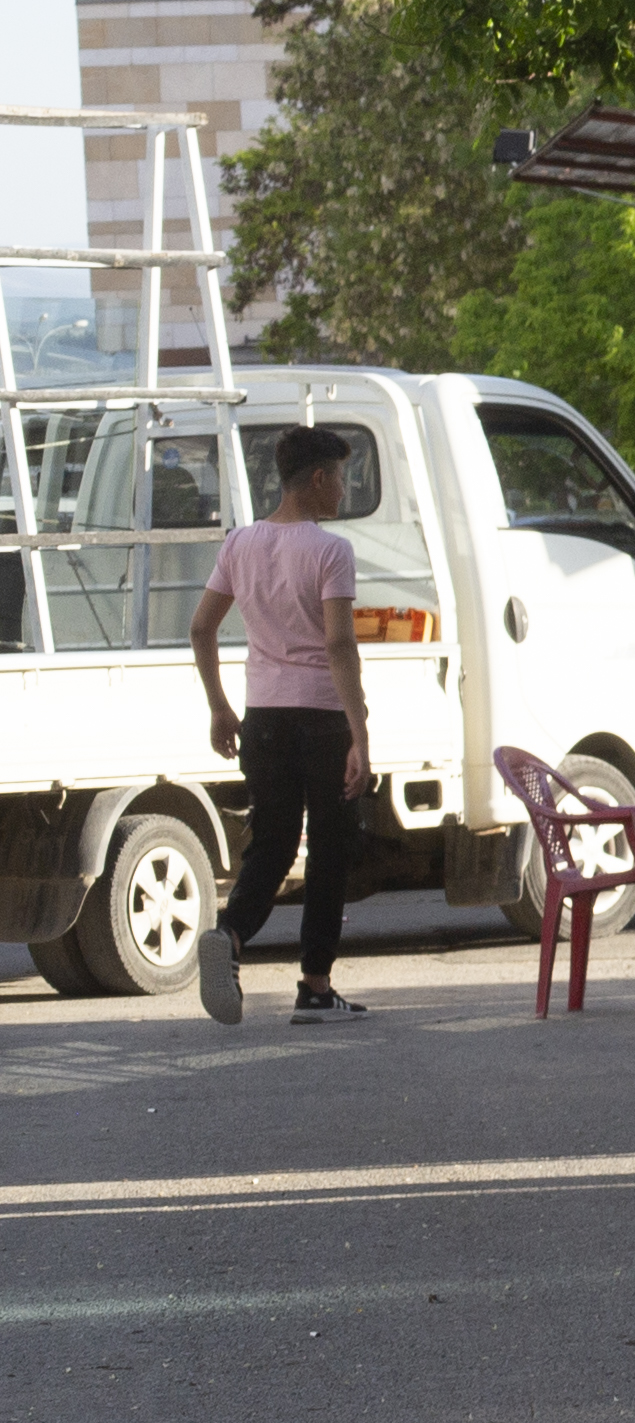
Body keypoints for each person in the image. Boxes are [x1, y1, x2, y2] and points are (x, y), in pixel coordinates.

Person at [187, 424, 375, 1025]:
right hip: (322, 718)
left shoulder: (240, 544)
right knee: (329, 850)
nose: (343, 490)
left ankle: (230, 935)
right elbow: (339, 645)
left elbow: (201, 627)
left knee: (272, 843)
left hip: (263, 719)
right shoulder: (330, 551)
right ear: (317, 479)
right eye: (340, 478)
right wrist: (360, 733)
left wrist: (219, 705)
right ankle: (315, 988)